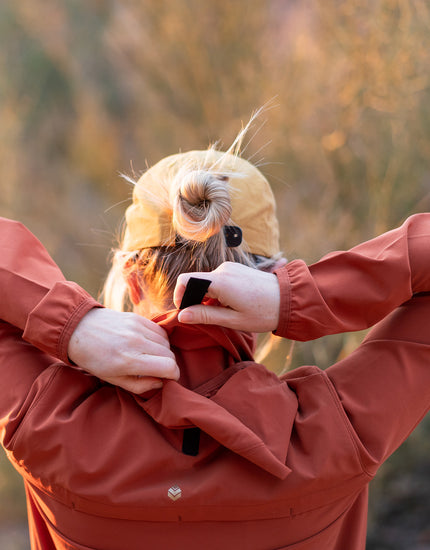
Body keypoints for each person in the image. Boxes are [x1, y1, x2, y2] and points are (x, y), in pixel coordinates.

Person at [0, 145, 429, 550]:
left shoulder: (51, 423)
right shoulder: (334, 435)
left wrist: (73, 322)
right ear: (271, 273)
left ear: (131, 280)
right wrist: (296, 298)